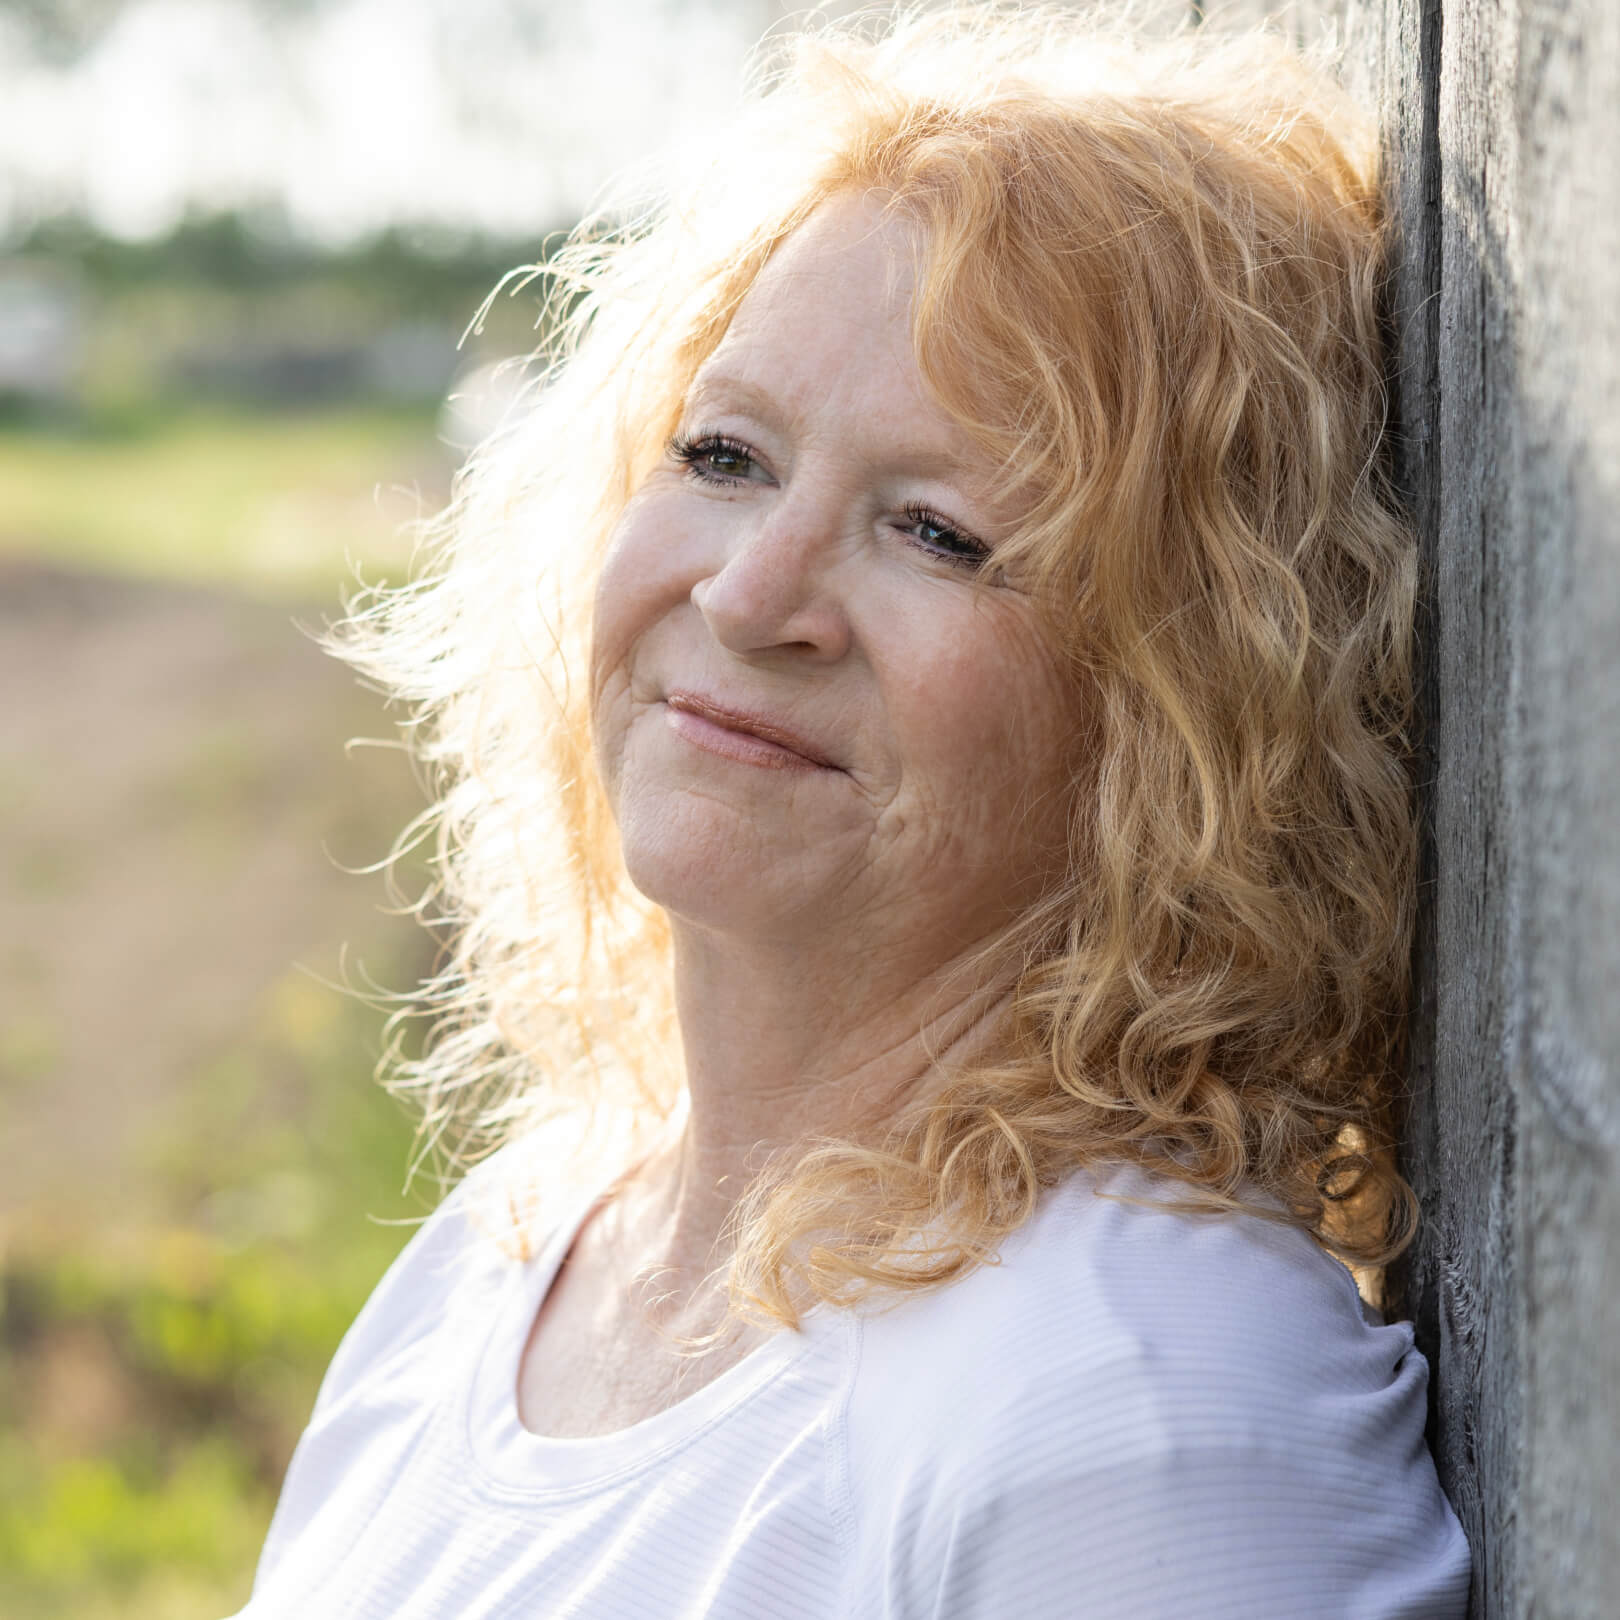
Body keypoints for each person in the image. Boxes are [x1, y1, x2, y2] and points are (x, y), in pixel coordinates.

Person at [235, 8, 1472, 1617]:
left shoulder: (1137, 1406)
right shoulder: (510, 1256)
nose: (750, 597)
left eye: (938, 533)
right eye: (725, 453)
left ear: (1192, 700)